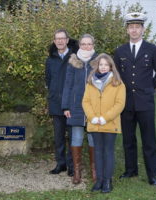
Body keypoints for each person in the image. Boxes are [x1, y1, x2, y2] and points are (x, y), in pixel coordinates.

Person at [114, 12, 156, 186]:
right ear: (127, 30)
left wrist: (149, 88)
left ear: (143, 29)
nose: (134, 30)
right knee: (128, 139)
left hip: (145, 103)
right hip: (127, 102)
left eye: (137, 27)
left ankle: (152, 174)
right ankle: (131, 170)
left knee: (149, 140)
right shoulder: (120, 51)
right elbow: (117, 75)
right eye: (131, 27)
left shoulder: (152, 49)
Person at [82, 53, 126, 193]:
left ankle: (107, 181)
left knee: (108, 152)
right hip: (94, 123)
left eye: (106, 65)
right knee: (98, 152)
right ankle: (99, 181)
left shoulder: (118, 83)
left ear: (111, 66)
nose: (103, 67)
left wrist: (105, 118)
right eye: (101, 65)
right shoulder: (90, 82)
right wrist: (92, 117)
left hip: (110, 123)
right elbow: (85, 101)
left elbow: (119, 104)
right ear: (97, 66)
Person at [62, 34, 97, 184]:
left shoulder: (98, 61)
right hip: (76, 107)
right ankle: (77, 173)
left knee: (92, 138)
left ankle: (95, 171)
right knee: (76, 138)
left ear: (93, 45)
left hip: (94, 107)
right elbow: (67, 85)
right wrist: (66, 106)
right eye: (83, 44)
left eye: (89, 44)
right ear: (79, 45)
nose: (86, 46)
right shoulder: (73, 61)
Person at [45, 29, 78, 176]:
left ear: (67, 40)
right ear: (54, 41)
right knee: (58, 136)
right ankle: (61, 164)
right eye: (57, 39)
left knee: (72, 136)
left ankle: (72, 166)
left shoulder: (75, 57)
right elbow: (48, 80)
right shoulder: (50, 59)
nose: (60, 41)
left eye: (62, 38)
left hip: (71, 103)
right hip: (56, 102)